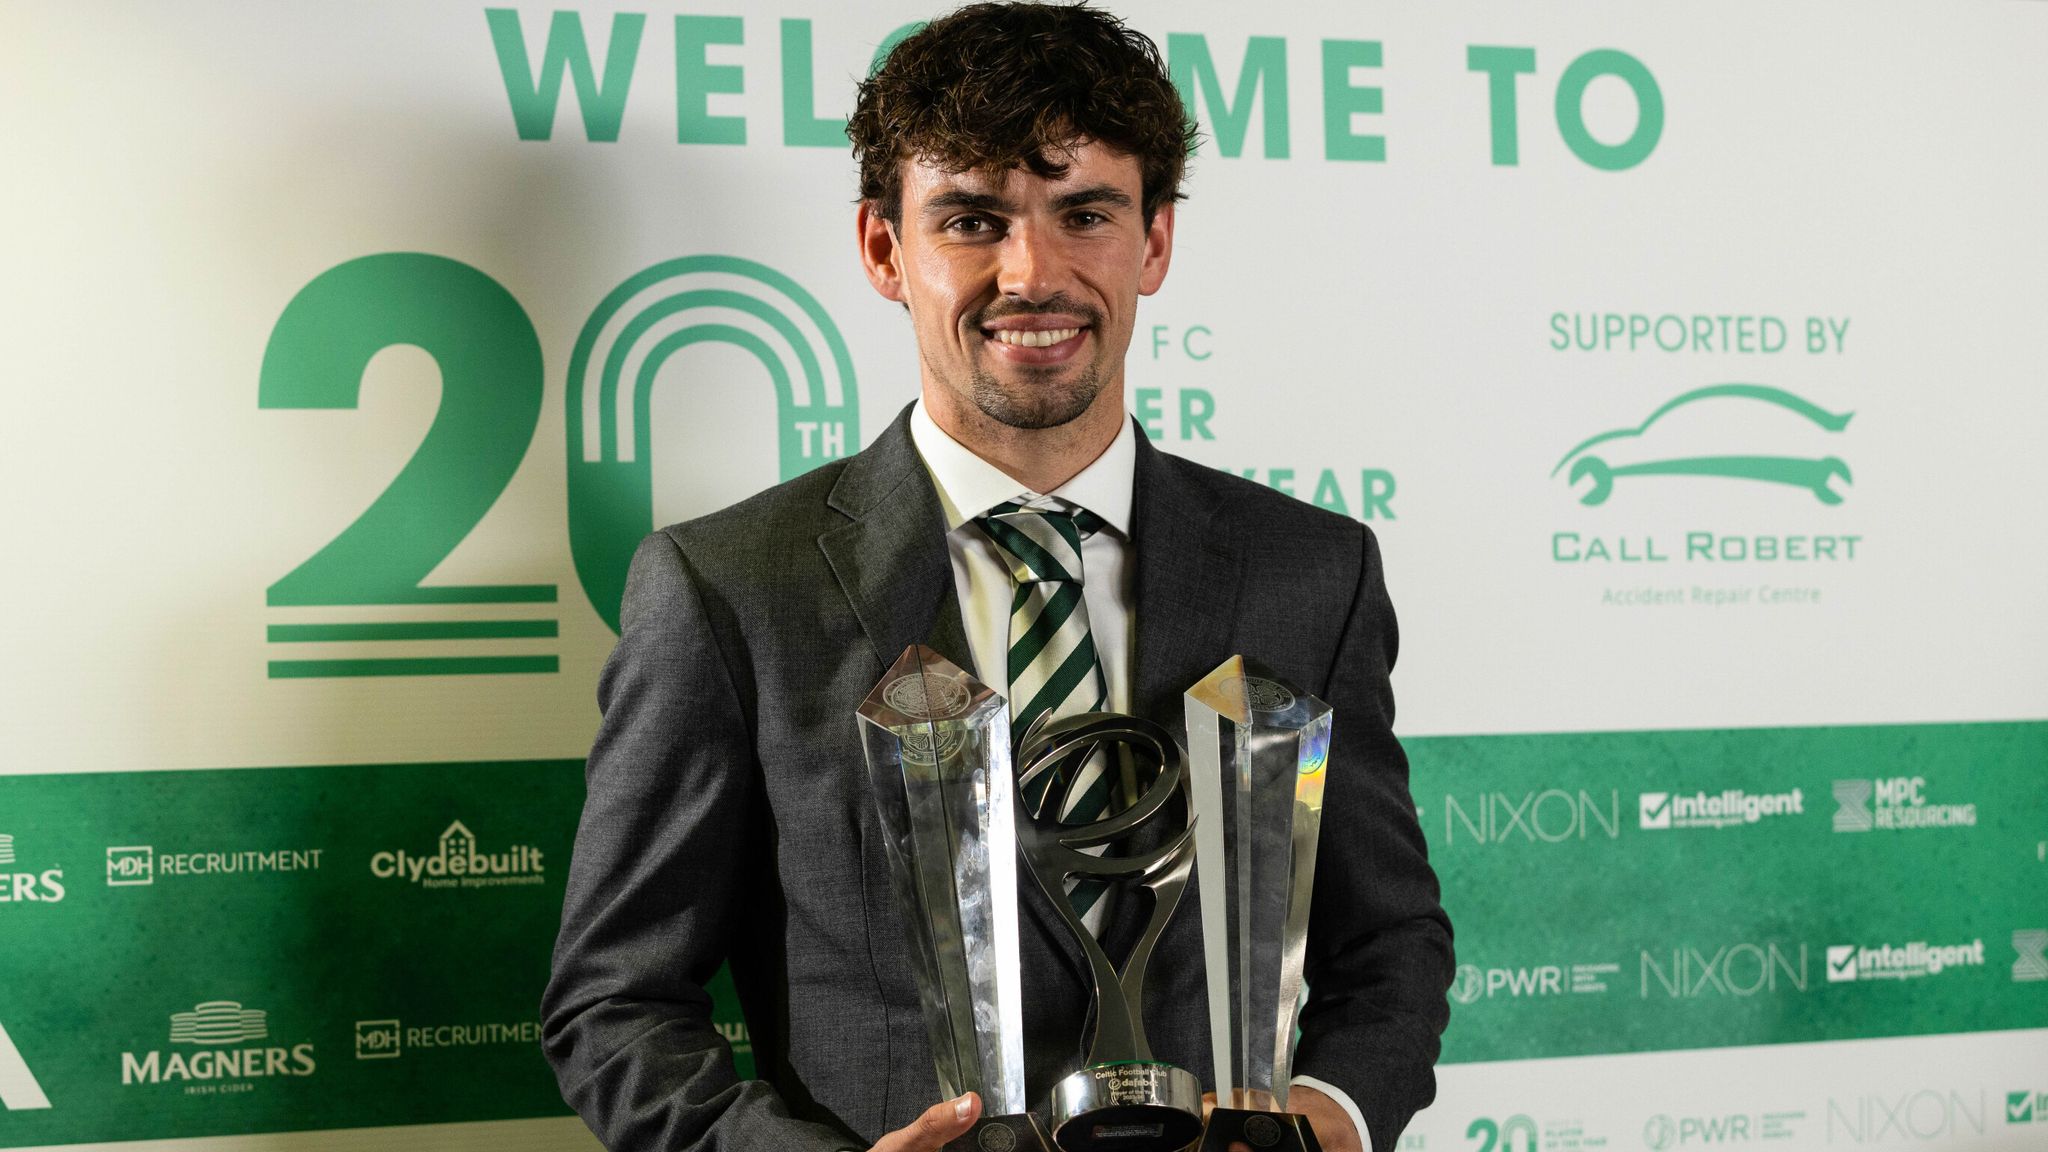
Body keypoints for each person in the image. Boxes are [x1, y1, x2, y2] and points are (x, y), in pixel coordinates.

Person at [540, 5, 1452, 1151]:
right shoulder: (727, 589)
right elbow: (614, 1007)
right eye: (973, 220)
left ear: (1154, 243)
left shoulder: (1310, 570)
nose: (1034, 273)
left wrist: (1328, 1119)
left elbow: (1389, 944)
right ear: (884, 249)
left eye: (1085, 215)